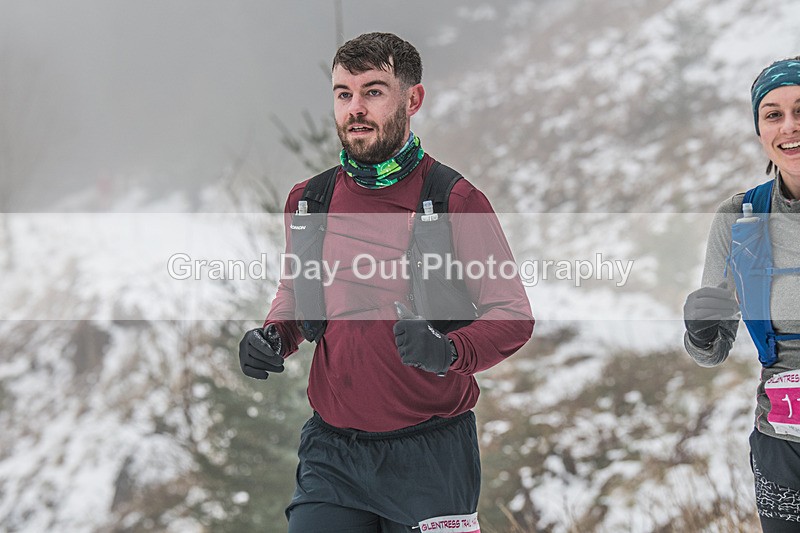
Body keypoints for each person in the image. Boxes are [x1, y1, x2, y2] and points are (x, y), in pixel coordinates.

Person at [238, 32, 534, 532]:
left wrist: (446, 349)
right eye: (343, 93)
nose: (356, 108)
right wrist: (274, 335)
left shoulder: (454, 201)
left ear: (412, 99)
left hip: (433, 456)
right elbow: (296, 291)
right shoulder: (308, 201)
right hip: (332, 455)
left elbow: (513, 315)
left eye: (373, 91)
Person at [683, 56, 800, 532]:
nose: (789, 126)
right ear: (759, 129)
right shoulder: (741, 217)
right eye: (773, 114)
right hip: (783, 442)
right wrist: (701, 331)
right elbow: (710, 353)